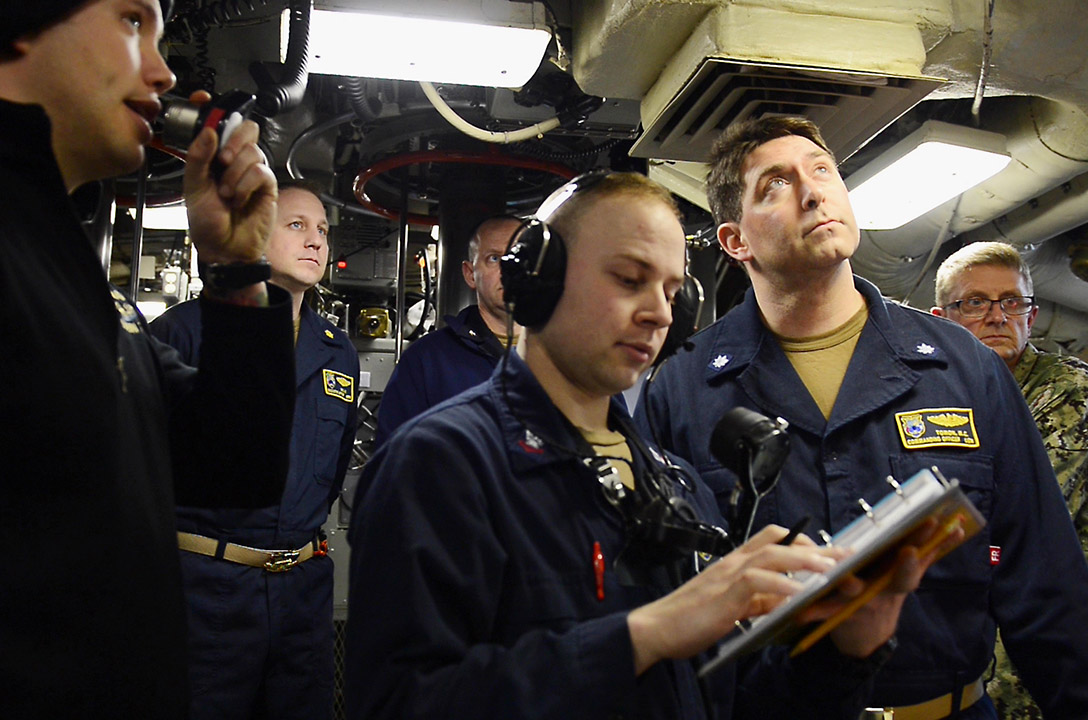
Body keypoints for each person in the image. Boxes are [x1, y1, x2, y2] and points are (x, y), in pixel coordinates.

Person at [0, 1, 295, 717]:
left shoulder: (60, 266)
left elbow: (235, 460)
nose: (164, 72)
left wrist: (235, 271)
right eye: (134, 21)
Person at [346, 171, 950, 720]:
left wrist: (846, 647)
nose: (658, 314)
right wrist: (644, 636)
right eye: (631, 280)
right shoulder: (443, 463)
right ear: (539, 277)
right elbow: (402, 704)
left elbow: (729, 702)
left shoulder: (677, 486)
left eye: (671, 292)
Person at [640, 116, 1088, 718]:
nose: (813, 191)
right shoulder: (685, 388)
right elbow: (661, 600)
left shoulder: (963, 368)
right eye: (774, 184)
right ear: (735, 241)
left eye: (822, 170)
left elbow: (1047, 581)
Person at [150, 179, 359, 720]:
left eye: (322, 231)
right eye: (297, 226)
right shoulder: (185, 331)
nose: (316, 241)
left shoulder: (338, 352)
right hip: (206, 590)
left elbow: (331, 474)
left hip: (301, 593)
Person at [932, 241, 1088, 719]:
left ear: (1032, 315)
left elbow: (1017, 527)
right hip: (959, 648)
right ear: (941, 319)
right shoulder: (931, 397)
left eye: (1012, 302)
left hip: (1040, 651)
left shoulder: (1069, 392)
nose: (997, 316)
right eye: (975, 302)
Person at [374, 215, 524, 446]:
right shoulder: (427, 360)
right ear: (470, 273)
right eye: (494, 258)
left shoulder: (566, 357)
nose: (509, 268)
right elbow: (394, 460)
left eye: (520, 255)